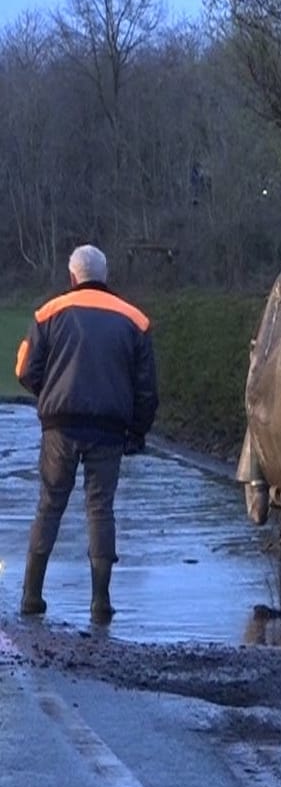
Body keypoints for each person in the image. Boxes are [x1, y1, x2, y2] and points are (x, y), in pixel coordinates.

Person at [12, 244, 158, 623]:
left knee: (49, 505)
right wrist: (136, 432)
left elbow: (25, 370)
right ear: (104, 276)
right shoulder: (135, 320)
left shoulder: (49, 313)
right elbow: (146, 389)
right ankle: (100, 600)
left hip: (60, 426)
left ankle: (31, 595)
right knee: (100, 509)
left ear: (72, 276)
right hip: (109, 430)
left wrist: (51, 394)